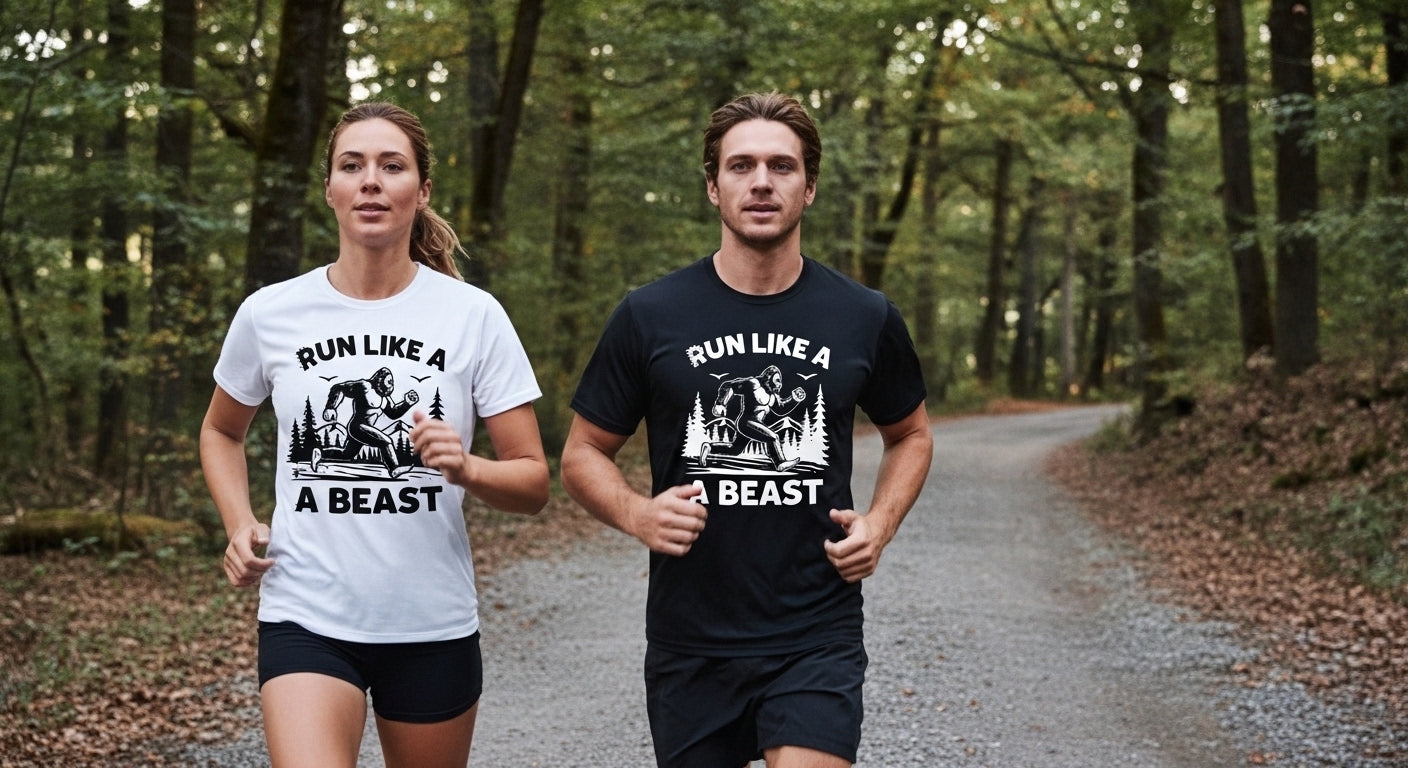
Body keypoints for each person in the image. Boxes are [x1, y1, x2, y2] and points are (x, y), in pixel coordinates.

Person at [560, 92, 934, 768]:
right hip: (691, 638)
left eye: (782, 167)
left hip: (816, 632)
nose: (762, 181)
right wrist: (639, 514)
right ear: (713, 186)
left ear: (809, 187)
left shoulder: (864, 315)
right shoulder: (649, 315)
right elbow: (583, 453)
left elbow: (911, 433)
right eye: (742, 166)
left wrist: (880, 523)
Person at [200, 102, 548, 768]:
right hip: (305, 612)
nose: (370, 181)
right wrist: (238, 522)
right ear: (328, 188)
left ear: (421, 192)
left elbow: (533, 481)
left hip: (431, 621)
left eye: (392, 166)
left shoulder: (473, 317)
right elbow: (221, 430)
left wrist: (467, 467)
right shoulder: (271, 313)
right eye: (351, 165)